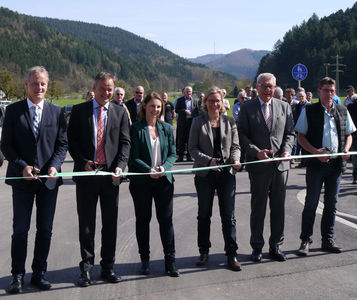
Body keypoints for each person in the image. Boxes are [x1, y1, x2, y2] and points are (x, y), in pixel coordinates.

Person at [1, 66, 68, 294]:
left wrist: (54, 166)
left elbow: (61, 145)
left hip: (48, 182)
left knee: (45, 230)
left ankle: (39, 273)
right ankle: (17, 275)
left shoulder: (56, 112)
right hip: (22, 181)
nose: (39, 87)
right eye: (35, 83)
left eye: (43, 84)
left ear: (47, 86)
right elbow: (6, 145)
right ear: (26, 85)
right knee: (20, 230)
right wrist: (22, 166)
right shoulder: (13, 111)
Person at [67, 72, 131, 287]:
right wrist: (82, 160)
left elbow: (125, 143)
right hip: (86, 176)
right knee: (86, 225)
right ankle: (86, 269)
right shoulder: (79, 111)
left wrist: (120, 167)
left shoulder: (120, 112)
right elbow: (72, 141)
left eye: (109, 89)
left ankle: (108, 267)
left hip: (110, 177)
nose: (106, 93)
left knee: (110, 224)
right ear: (94, 88)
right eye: (102, 88)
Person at [237, 73, 295, 263]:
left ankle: (276, 246)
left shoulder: (284, 106)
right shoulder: (247, 108)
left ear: (275, 86)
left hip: (280, 166)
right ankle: (257, 247)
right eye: (264, 86)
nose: (268, 90)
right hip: (259, 166)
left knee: (278, 208)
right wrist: (255, 152)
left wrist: (286, 150)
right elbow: (242, 135)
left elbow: (290, 133)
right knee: (258, 208)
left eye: (270, 86)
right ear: (257, 87)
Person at [295, 77, 356, 256]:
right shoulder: (309, 110)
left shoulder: (343, 110)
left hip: (336, 166)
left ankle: (328, 239)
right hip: (315, 165)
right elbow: (300, 137)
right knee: (311, 203)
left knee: (332, 204)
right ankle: (305, 240)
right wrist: (315, 152)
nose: (329, 94)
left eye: (332, 90)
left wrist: (345, 148)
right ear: (318, 91)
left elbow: (350, 134)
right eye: (326, 90)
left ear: (335, 92)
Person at [188, 86, 242, 272]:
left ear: (222, 103)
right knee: (204, 215)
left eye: (217, 100)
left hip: (227, 174)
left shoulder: (230, 121)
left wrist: (235, 159)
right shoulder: (197, 122)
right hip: (205, 174)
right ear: (205, 103)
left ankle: (231, 254)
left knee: (229, 217)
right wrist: (209, 160)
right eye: (210, 100)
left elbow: (236, 146)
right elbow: (192, 149)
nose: (214, 104)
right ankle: (204, 251)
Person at [128, 92, 179, 277]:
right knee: (143, 221)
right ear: (144, 107)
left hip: (164, 181)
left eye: (158, 107)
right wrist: (149, 170)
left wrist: (164, 168)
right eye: (152, 106)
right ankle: (145, 260)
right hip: (142, 182)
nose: (155, 110)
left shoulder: (166, 128)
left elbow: (173, 153)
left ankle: (170, 261)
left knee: (166, 221)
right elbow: (133, 158)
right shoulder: (136, 129)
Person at [175, 86, 199, 162]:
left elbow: (197, 111)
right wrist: (184, 111)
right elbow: (176, 110)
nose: (188, 93)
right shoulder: (180, 100)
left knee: (190, 140)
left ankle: (189, 156)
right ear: (184, 92)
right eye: (187, 91)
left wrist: (193, 114)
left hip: (191, 122)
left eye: (189, 91)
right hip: (182, 123)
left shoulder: (195, 101)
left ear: (192, 92)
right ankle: (180, 156)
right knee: (181, 140)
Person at [348, 94, 357, 183]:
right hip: (354, 136)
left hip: (354, 136)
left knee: (355, 158)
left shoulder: (350, 107)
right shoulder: (350, 107)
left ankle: (355, 176)